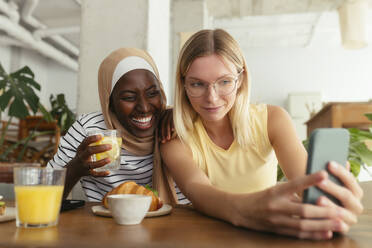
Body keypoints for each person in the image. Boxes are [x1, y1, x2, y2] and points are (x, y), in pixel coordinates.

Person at [160, 29, 363, 240]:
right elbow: (198, 190)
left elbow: (307, 184)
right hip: (210, 240)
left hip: (267, 238)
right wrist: (245, 210)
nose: (211, 97)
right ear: (183, 85)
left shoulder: (272, 120)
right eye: (197, 84)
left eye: (225, 82)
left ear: (240, 80)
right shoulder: (174, 137)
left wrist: (332, 204)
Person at [48, 47, 188, 204]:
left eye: (152, 93)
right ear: (109, 102)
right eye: (129, 97)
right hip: (110, 224)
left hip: (177, 223)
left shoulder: (177, 124)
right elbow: (43, 195)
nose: (144, 108)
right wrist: (75, 169)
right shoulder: (89, 130)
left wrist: (182, 117)